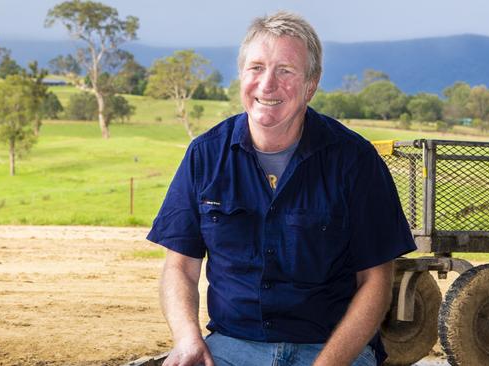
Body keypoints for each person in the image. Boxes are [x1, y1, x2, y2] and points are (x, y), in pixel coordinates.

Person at [147, 11, 416, 366]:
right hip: (231, 347)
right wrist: (187, 339)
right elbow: (180, 268)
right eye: (256, 67)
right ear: (242, 75)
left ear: (311, 85)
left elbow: (376, 282)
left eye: (285, 70)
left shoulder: (356, 161)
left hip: (330, 350)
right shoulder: (205, 155)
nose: (267, 84)